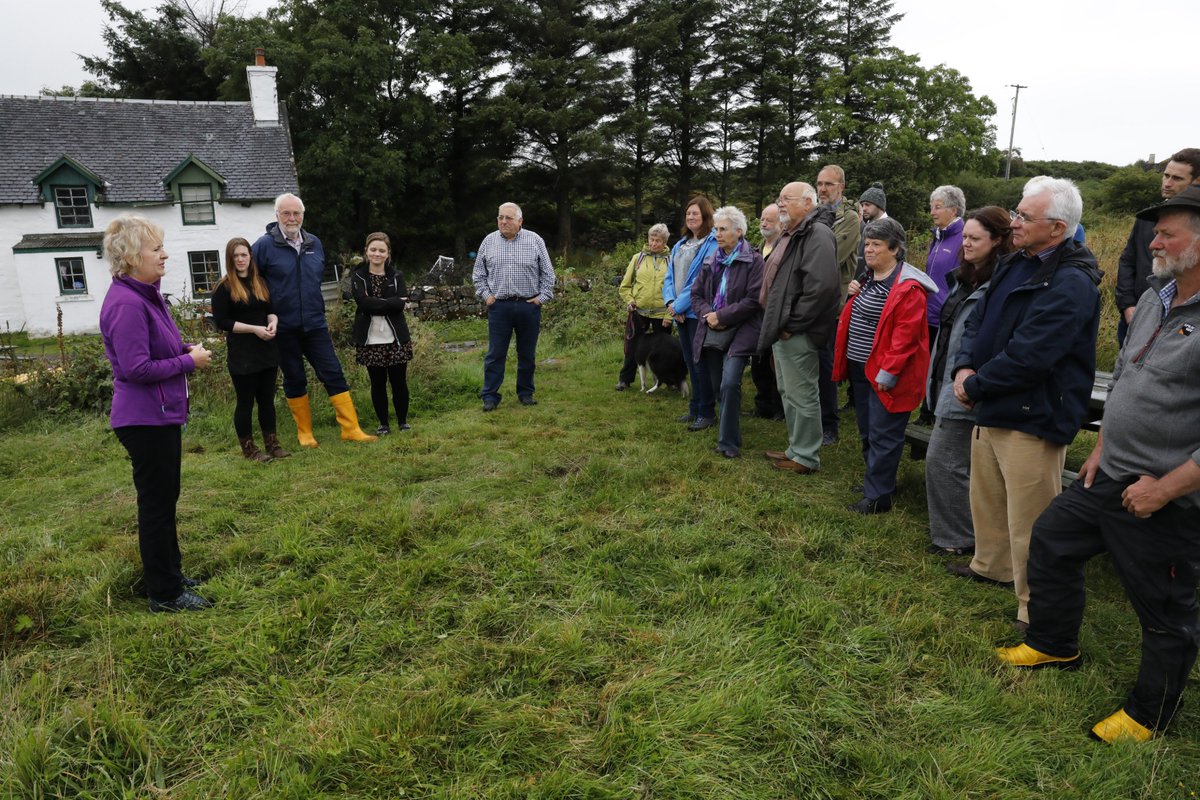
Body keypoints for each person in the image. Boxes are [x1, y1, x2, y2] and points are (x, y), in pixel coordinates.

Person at [997, 184, 1200, 744]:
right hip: (1111, 472)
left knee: (1164, 608)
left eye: (1167, 233)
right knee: (1054, 537)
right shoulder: (1159, 296)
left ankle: (1149, 715)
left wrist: (1167, 487)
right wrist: (1106, 443)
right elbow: (1131, 378)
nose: (1152, 242)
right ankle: (1054, 642)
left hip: (1165, 493)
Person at [947, 177, 1101, 631]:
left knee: (1031, 519)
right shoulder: (1018, 261)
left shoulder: (1072, 281)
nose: (1013, 222)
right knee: (990, 499)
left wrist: (975, 386)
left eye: (1023, 216)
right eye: (1016, 212)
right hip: (995, 403)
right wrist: (962, 366)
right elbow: (978, 318)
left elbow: (1033, 354)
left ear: (1056, 229)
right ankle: (991, 565)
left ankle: (1033, 606)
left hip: (1034, 412)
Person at [98, 214, 213, 613]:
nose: (165, 255)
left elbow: (159, 350)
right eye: (156, 249)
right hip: (143, 419)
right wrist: (189, 363)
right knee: (157, 505)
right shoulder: (128, 304)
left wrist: (184, 352)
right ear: (132, 257)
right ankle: (164, 594)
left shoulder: (146, 294)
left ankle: (170, 573)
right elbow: (136, 369)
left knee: (166, 499)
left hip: (158, 414)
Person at [252, 193, 376, 446]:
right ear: (276, 216)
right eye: (286, 213)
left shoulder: (314, 243)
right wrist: (265, 315)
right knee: (295, 377)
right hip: (283, 326)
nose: (291, 218)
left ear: (303, 215)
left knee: (333, 372)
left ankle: (350, 428)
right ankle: (305, 433)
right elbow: (254, 285)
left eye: (296, 213)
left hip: (314, 323)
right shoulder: (263, 247)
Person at [832, 217, 936, 514]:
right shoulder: (868, 277)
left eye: (876, 244)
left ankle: (878, 497)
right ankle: (877, 484)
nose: (868, 250)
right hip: (861, 368)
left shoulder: (908, 288)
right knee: (867, 430)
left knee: (884, 434)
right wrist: (854, 294)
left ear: (895, 249)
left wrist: (887, 373)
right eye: (867, 244)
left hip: (887, 375)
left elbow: (904, 337)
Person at [924, 207, 1012, 555]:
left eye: (976, 239)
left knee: (944, 462)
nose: (968, 244)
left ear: (997, 242)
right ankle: (961, 535)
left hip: (964, 386)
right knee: (955, 462)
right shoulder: (966, 277)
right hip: (946, 375)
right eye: (966, 238)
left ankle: (956, 540)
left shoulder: (997, 285)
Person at [759, 182, 839, 475]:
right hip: (784, 329)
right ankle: (796, 447)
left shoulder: (817, 234)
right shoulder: (792, 233)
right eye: (778, 199)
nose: (780, 204)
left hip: (798, 331)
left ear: (808, 203)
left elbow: (823, 288)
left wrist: (792, 324)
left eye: (786, 199)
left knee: (802, 392)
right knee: (789, 390)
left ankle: (806, 456)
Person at [690, 206, 764, 458]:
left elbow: (754, 300)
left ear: (739, 231)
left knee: (730, 383)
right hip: (712, 330)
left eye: (723, 229)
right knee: (717, 384)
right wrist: (708, 316)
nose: (718, 235)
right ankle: (728, 429)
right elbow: (696, 294)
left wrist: (722, 316)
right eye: (716, 230)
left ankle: (728, 443)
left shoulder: (754, 260)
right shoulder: (712, 259)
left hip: (742, 330)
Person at [210, 237, 288, 463]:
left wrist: (273, 323)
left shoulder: (260, 282)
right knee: (245, 401)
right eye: (236, 256)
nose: (240, 259)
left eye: (244, 255)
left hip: (266, 349)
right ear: (230, 259)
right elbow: (222, 322)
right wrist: (254, 329)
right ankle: (249, 449)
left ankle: (272, 445)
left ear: (250, 257)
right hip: (242, 353)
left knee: (266, 400)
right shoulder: (223, 288)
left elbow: (270, 310)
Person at [472, 201, 556, 412]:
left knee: (527, 353)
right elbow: (478, 275)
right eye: (500, 217)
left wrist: (541, 298)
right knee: (495, 354)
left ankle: (525, 393)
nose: (503, 221)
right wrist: (487, 296)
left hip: (528, 306)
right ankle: (490, 396)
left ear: (520, 221)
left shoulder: (534, 240)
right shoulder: (488, 241)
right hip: (499, 307)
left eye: (508, 218)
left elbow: (548, 273)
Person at [1115, 148, 1200, 344]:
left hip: (1181, 322)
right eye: (1166, 175)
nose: (1167, 183)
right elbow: (1128, 260)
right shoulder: (1148, 217)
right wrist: (1127, 305)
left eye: (1177, 178)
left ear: (1197, 182)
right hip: (1137, 314)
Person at [663, 195, 720, 430]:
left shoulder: (712, 243)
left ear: (706, 216)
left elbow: (700, 280)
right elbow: (669, 276)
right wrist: (670, 302)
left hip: (696, 312)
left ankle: (707, 412)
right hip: (680, 313)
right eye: (688, 213)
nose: (691, 217)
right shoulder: (680, 243)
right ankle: (694, 408)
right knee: (689, 360)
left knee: (700, 364)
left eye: (695, 213)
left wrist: (678, 306)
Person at [815, 164, 861, 446]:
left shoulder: (850, 219)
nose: (822, 189)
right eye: (819, 183)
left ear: (841, 187)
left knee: (825, 364)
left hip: (831, 302)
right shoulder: (813, 213)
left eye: (829, 184)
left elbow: (828, 258)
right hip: (809, 300)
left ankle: (829, 424)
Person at [351, 232, 413, 435]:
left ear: (388, 254)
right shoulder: (358, 275)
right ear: (367, 252)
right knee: (377, 384)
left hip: (395, 338)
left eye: (382, 250)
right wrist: (390, 303)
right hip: (369, 339)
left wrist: (378, 303)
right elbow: (363, 302)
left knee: (399, 382)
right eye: (373, 250)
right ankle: (383, 424)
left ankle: (403, 422)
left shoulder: (397, 276)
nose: (377, 254)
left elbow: (400, 304)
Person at [616, 223, 672, 391]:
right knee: (632, 347)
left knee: (663, 350)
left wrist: (670, 315)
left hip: (662, 313)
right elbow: (624, 286)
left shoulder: (671, 259)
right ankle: (625, 380)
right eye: (651, 239)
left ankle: (669, 381)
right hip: (639, 311)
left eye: (658, 241)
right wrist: (630, 300)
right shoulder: (637, 258)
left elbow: (676, 288)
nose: (654, 244)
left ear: (665, 242)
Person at [749, 204, 784, 420]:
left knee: (776, 364)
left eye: (769, 220)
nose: (763, 223)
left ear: (781, 223)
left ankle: (779, 408)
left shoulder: (785, 248)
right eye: (762, 219)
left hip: (775, 315)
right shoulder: (757, 249)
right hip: (756, 316)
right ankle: (762, 405)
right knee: (758, 363)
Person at [926, 186, 967, 348]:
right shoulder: (938, 236)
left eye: (937, 207)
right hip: (928, 316)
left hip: (947, 319)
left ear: (953, 210)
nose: (932, 212)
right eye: (931, 207)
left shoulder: (964, 237)